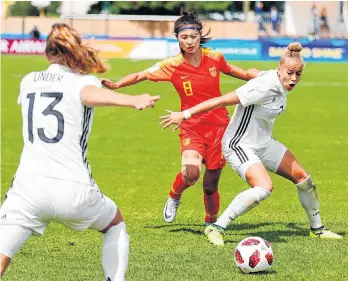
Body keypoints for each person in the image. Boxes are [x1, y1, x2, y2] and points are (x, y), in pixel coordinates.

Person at [0, 23, 160, 280]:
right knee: (115, 224)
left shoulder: (28, 81)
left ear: (46, 53)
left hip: (27, 188)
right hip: (73, 189)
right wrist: (132, 100)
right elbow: (89, 94)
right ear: (75, 52)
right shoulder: (83, 82)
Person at [160, 42, 342, 246]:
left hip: (263, 143)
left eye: (298, 74)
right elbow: (221, 100)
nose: (293, 79)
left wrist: (255, 73)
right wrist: (185, 114)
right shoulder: (262, 87)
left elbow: (257, 73)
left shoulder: (276, 81)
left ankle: (317, 229)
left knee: (304, 180)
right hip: (240, 145)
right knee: (264, 187)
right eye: (289, 72)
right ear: (279, 69)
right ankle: (217, 226)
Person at [102, 9, 259, 226]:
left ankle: (211, 222)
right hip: (191, 126)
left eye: (193, 36)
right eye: (184, 37)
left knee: (211, 184)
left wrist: (258, 77)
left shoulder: (214, 57)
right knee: (191, 173)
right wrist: (118, 85)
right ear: (177, 38)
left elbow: (234, 71)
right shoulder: (172, 65)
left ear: (199, 35)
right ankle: (175, 195)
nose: (189, 41)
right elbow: (141, 74)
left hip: (220, 127)